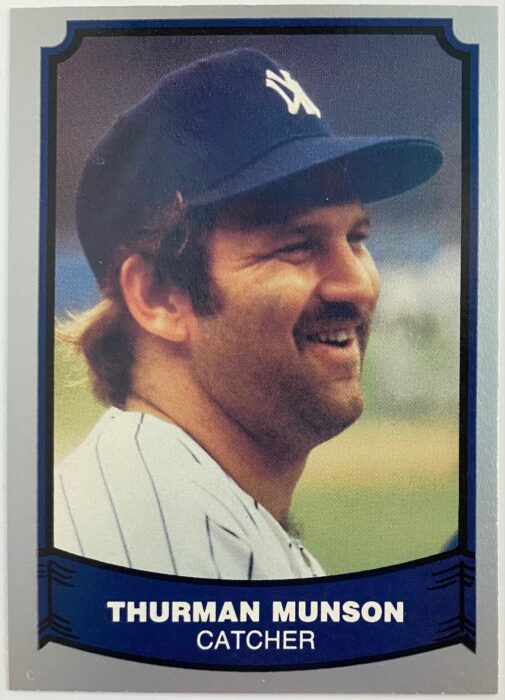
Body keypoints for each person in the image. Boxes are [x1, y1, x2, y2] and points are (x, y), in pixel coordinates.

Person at [54, 48, 443, 579]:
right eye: (297, 245)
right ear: (157, 297)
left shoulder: (191, 515)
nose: (356, 283)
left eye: (357, 238)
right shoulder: (162, 550)